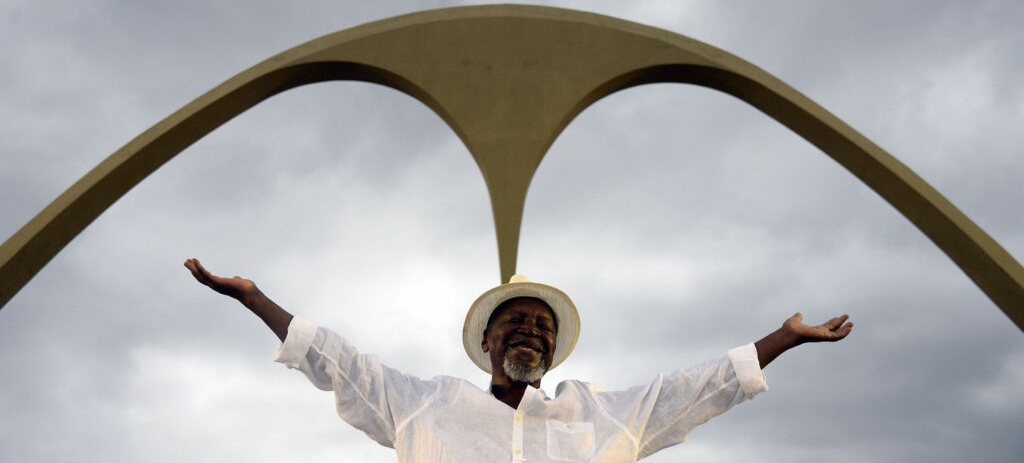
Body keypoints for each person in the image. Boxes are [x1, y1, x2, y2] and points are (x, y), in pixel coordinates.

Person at [184, 257, 852, 462]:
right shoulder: (427, 407)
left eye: (541, 327)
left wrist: (782, 337)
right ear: (488, 344)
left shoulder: (599, 418)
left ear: (554, 349)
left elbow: (692, 391)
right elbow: (338, 364)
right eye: (516, 323)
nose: (530, 332)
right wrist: (255, 299)